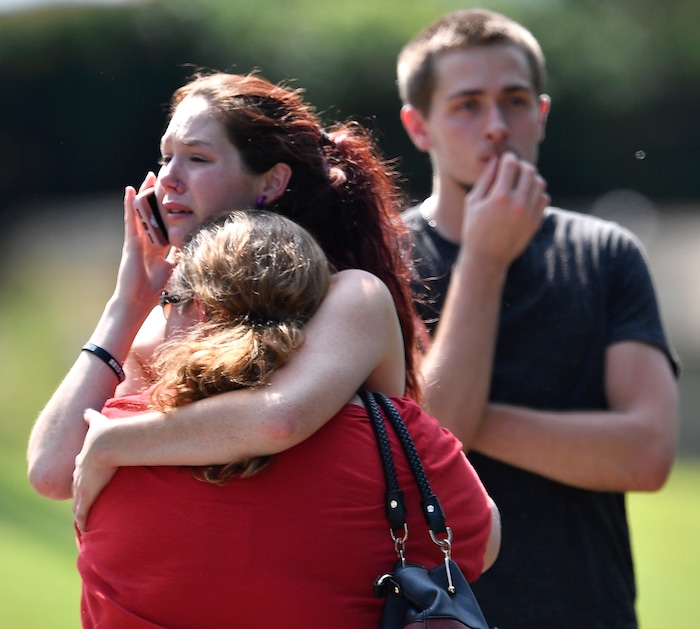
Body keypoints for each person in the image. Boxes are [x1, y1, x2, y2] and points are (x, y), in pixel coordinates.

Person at [27, 70, 421, 522]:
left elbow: (277, 420)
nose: (168, 179)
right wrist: (127, 302)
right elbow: (51, 473)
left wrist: (110, 443)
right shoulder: (156, 314)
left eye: (197, 158)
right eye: (166, 157)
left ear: (271, 183)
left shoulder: (350, 297)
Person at [77, 209, 500, 628]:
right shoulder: (399, 439)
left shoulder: (119, 432)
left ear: (199, 309)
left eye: (167, 301)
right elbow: (484, 541)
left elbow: (52, 478)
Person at [396, 8, 679, 628]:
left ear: (542, 114)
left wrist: (450, 420)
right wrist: (485, 261)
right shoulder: (377, 261)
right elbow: (422, 456)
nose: (497, 125)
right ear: (419, 127)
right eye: (467, 105)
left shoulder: (606, 255)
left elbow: (647, 455)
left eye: (515, 101)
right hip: (439, 617)